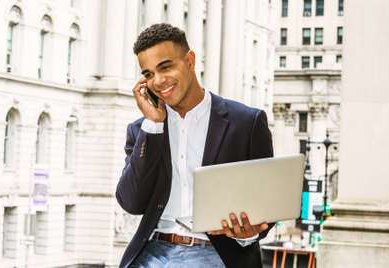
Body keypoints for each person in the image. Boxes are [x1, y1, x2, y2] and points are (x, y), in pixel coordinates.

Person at [116, 23, 274, 268]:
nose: (158, 81)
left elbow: (267, 200)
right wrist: (154, 126)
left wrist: (250, 233)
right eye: (148, 74)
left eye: (165, 67)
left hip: (217, 253)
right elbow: (131, 202)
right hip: (153, 252)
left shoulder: (246, 123)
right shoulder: (142, 130)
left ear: (190, 60)